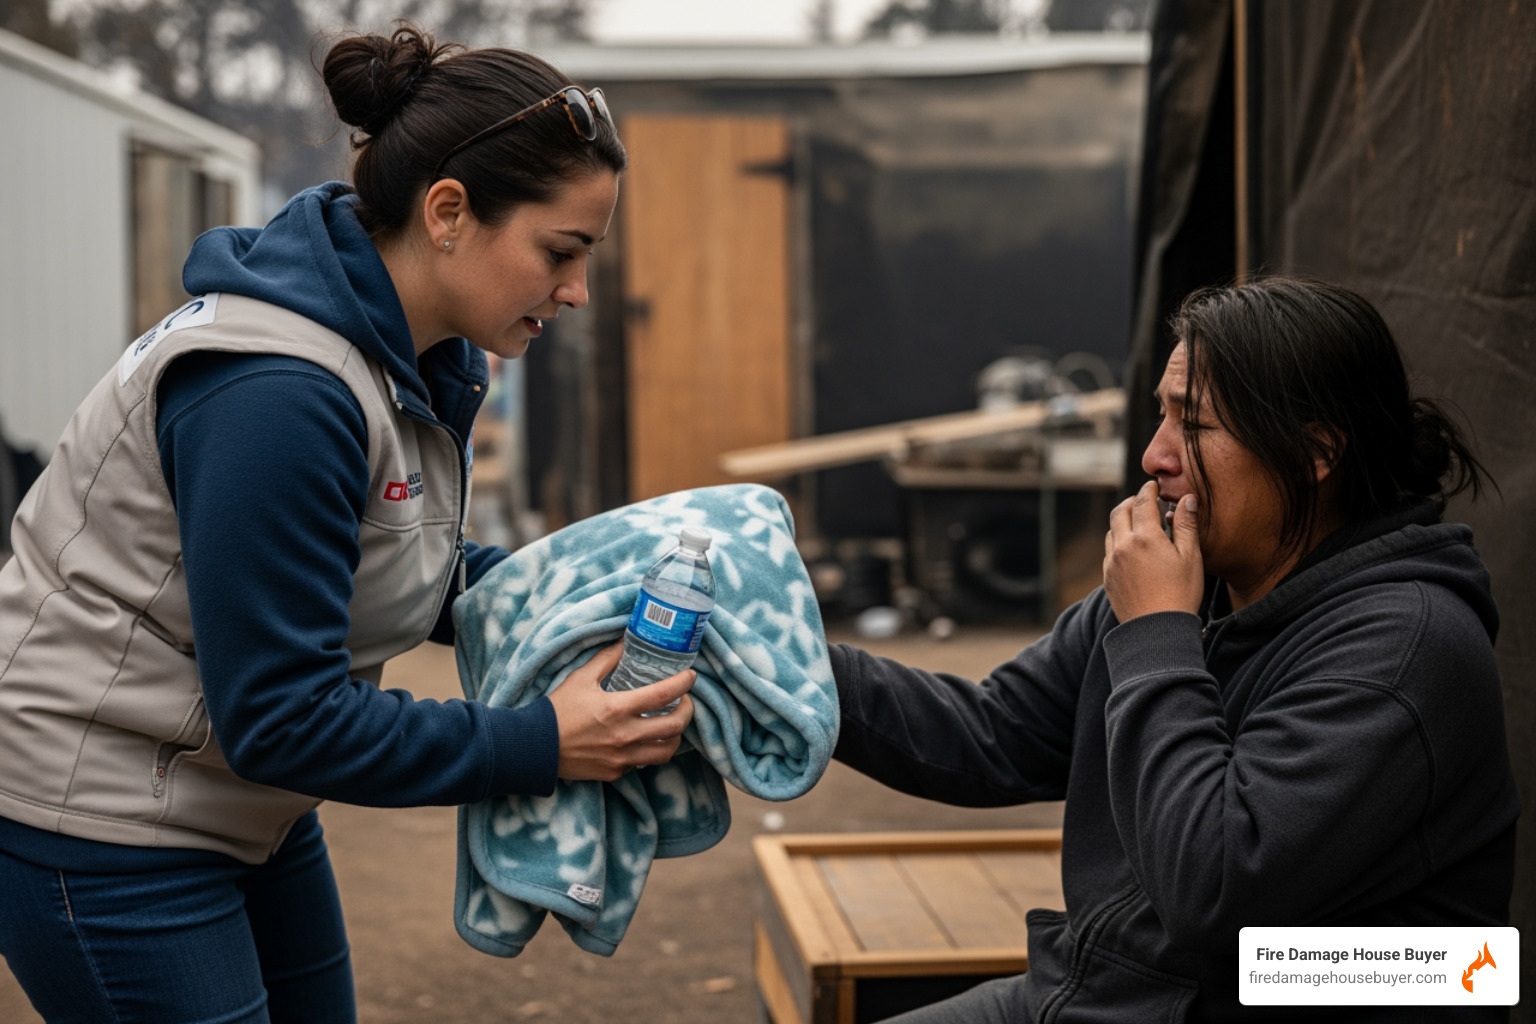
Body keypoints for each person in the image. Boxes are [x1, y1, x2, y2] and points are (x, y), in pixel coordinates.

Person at [0, 24, 695, 1024]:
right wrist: (540, 742)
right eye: (562, 251)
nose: (578, 291)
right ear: (448, 211)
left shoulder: (407, 349)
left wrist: (586, 594)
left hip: (240, 801)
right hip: (106, 818)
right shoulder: (280, 392)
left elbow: (396, 558)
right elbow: (285, 714)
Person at [829, 277, 1519, 1022]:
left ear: (1317, 452)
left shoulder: (1406, 644)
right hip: (1106, 994)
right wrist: (782, 665)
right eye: (1161, 414)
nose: (1156, 456)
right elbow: (992, 732)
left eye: (1194, 425)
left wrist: (1158, 631)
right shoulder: (1196, 579)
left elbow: (1212, 887)